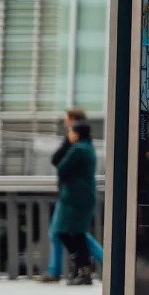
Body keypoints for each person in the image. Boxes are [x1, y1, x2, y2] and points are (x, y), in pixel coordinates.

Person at [41, 108, 104, 283]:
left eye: (69, 124)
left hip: (74, 197)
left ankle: (84, 268)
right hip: (77, 196)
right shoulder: (86, 147)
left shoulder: (78, 149)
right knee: (73, 233)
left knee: (68, 232)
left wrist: (68, 144)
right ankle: (82, 268)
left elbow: (61, 166)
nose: (66, 126)